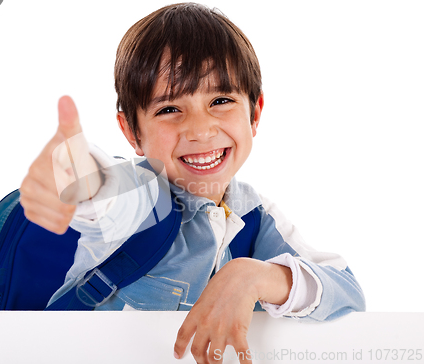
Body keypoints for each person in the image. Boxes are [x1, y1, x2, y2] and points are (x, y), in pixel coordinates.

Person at [19, 3, 365, 363]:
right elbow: (101, 195)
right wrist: (70, 167)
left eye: (220, 100)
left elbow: (348, 293)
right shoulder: (141, 194)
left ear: (255, 114)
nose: (200, 130)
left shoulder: (253, 213)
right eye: (169, 109)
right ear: (131, 131)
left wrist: (251, 276)